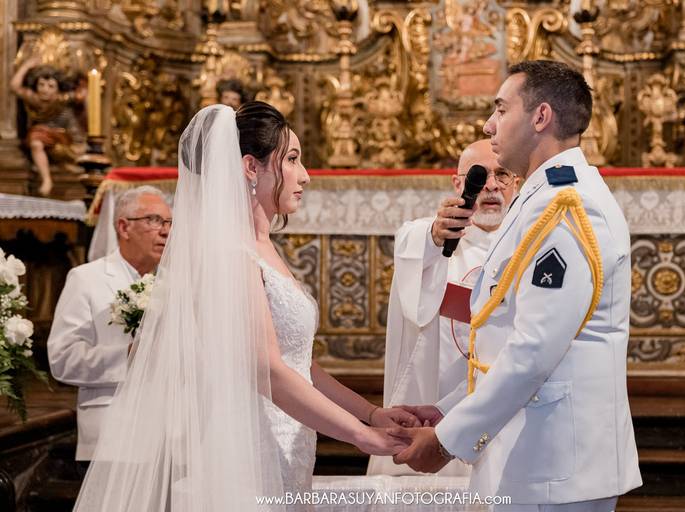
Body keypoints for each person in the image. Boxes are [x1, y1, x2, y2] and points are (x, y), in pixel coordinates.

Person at [72, 103, 411, 512]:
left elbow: (299, 365)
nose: (305, 175)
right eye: (292, 159)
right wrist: (360, 436)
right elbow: (267, 370)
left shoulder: (264, 249)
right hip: (249, 446)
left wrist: (371, 414)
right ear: (251, 167)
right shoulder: (232, 254)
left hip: (288, 439)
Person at [390, 60, 642, 511]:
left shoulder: (567, 208)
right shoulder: (542, 196)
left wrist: (447, 440)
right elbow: (505, 335)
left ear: (540, 117)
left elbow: (533, 350)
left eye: (501, 110)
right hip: (535, 452)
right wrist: (450, 408)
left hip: (556, 463)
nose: (489, 125)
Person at [368, 139, 519, 477]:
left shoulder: (527, 241)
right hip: (435, 401)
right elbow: (413, 244)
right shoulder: (433, 237)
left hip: (504, 403)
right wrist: (436, 235)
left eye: (502, 175)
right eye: (479, 175)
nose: (491, 185)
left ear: (516, 182)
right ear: (457, 183)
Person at [47, 186, 171, 465]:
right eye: (154, 220)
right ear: (124, 227)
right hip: (111, 437)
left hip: (167, 441)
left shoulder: (173, 283)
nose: (165, 231)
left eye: (169, 222)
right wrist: (126, 355)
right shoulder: (86, 279)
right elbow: (62, 359)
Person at [11, 56, 86, 196]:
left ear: (58, 89)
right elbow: (15, 87)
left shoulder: (62, 99)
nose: (45, 90)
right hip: (43, 137)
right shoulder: (35, 99)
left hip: (66, 136)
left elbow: (80, 95)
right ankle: (46, 180)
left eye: (51, 86)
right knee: (35, 141)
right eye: (41, 85)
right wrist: (26, 66)